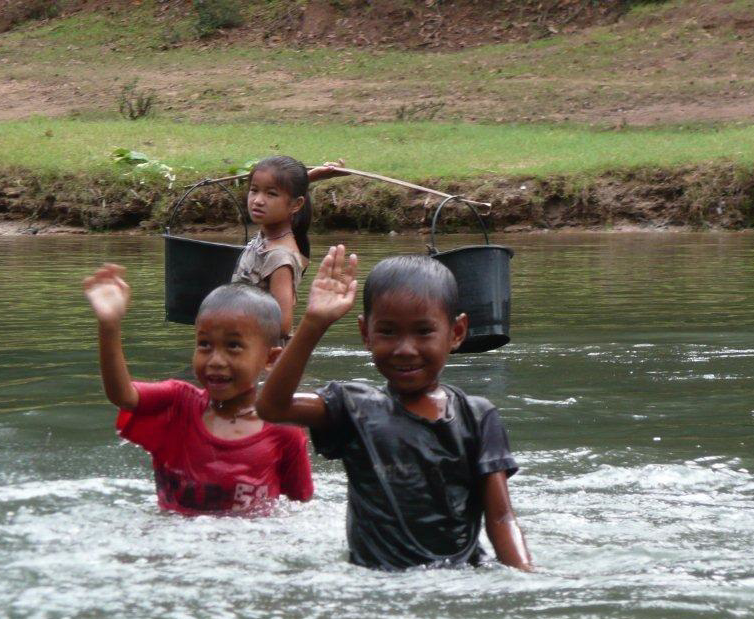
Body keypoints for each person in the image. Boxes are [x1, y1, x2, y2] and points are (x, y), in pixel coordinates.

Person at [257, 247, 532, 571]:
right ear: (366, 334)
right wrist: (314, 324)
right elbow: (272, 407)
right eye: (387, 332)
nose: (405, 349)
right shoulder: (352, 408)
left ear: (456, 333)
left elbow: (500, 517)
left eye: (423, 332)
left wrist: (527, 577)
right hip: (377, 585)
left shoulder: (477, 417)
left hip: (457, 581)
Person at [83, 263, 313, 515]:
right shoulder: (176, 402)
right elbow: (123, 396)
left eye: (233, 346)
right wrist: (109, 326)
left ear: (269, 359)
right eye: (204, 344)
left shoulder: (285, 433)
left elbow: (296, 508)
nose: (215, 360)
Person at [231, 156, 344, 343]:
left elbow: (282, 325)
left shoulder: (279, 258)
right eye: (254, 190)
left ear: (296, 205)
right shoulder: (268, 236)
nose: (258, 200)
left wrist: (229, 325)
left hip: (258, 355)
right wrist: (312, 176)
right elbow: (286, 190)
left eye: (270, 194)